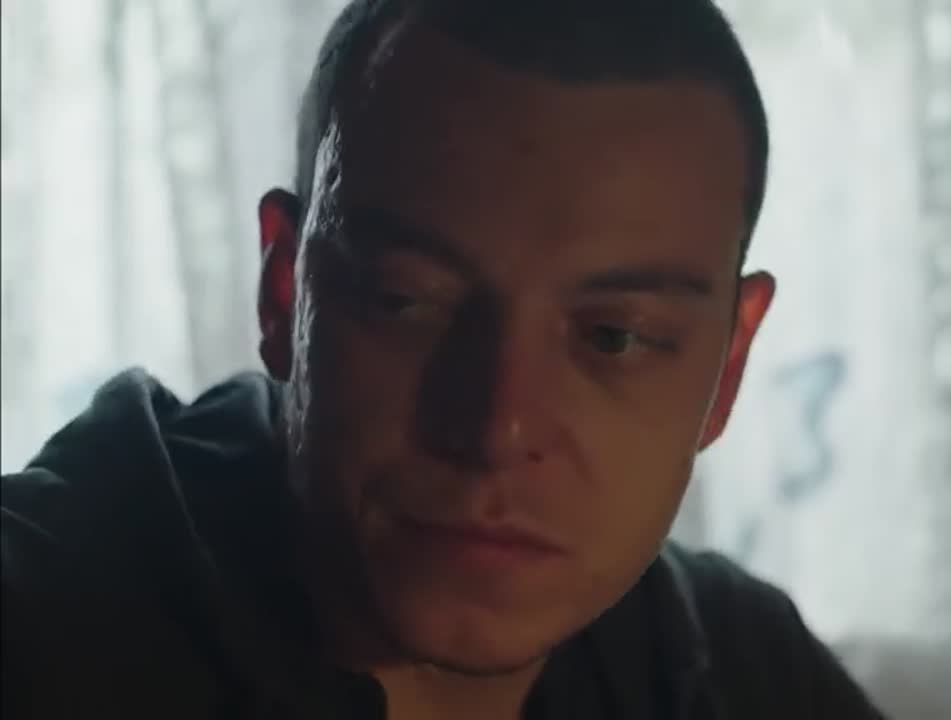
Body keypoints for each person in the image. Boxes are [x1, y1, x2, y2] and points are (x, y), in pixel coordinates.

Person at [1, 1, 886, 718]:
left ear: (728, 368)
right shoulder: (43, 628)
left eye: (613, 336)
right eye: (406, 301)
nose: (497, 427)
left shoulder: (735, 667)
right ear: (284, 291)